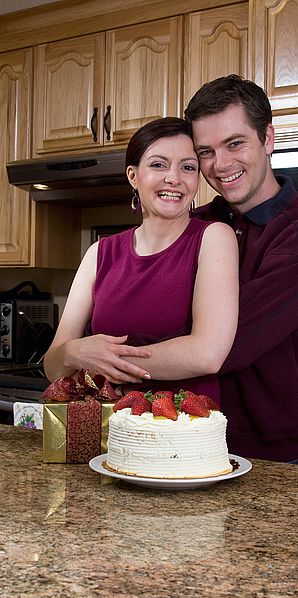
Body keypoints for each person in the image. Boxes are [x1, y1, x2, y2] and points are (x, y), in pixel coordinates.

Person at [184, 75, 298, 466]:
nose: (220, 165)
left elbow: (227, 344)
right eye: (205, 151)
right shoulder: (195, 226)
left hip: (284, 456)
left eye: (235, 143)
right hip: (195, 441)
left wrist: (118, 352)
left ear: (267, 138)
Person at [43, 117, 239, 404]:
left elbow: (207, 354)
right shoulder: (100, 253)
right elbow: (53, 365)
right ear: (133, 176)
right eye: (158, 164)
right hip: (110, 433)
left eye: (188, 167)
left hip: (183, 434)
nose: (174, 178)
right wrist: (73, 353)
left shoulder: (214, 237)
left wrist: (104, 362)